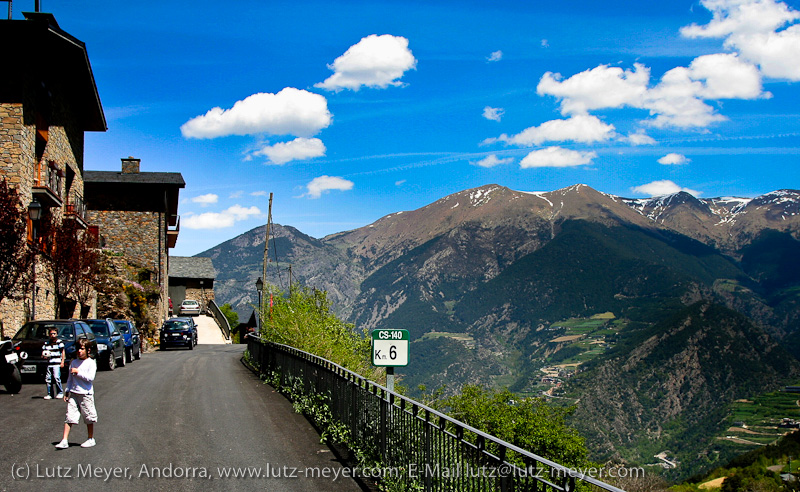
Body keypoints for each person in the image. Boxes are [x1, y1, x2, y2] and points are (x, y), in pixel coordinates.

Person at [55, 338, 97, 449]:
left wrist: (78, 372)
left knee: (88, 417)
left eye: (82, 349)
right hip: (74, 393)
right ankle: (64, 440)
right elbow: (70, 379)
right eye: (78, 349)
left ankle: (90, 438)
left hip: (85, 394)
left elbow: (90, 378)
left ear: (88, 350)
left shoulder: (91, 363)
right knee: (69, 416)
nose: (79, 351)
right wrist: (67, 391)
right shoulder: (74, 362)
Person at [42, 327, 65, 400]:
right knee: (48, 379)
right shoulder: (46, 343)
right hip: (49, 363)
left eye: (54, 333)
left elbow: (62, 352)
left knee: (56, 377)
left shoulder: (59, 342)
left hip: (57, 363)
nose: (53, 335)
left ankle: (60, 392)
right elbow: (43, 353)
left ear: (57, 334)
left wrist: (62, 361)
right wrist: (44, 356)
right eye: (51, 334)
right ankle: (50, 394)